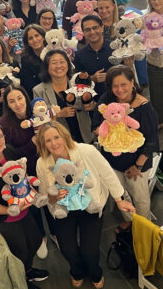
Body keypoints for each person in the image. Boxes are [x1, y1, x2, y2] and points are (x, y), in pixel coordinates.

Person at [36, 121, 135, 289]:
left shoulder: (85, 150)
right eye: (48, 140)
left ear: (64, 135)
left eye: (56, 137)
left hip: (90, 204)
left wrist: (119, 199)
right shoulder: (42, 163)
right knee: (67, 249)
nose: (54, 143)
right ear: (43, 144)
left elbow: (107, 173)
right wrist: (53, 197)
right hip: (64, 208)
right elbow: (44, 193)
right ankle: (77, 271)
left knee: (90, 251)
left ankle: (95, 273)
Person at [0, 122, 49, 288]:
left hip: (23, 209)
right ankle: (21, 278)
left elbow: (23, 173)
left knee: (35, 241)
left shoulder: (9, 151)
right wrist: (11, 210)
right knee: (21, 251)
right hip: (5, 217)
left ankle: (28, 270)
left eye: (0, 137)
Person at [92, 65, 159, 226]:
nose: (119, 90)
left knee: (140, 198)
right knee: (120, 195)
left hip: (137, 163)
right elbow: (94, 127)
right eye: (115, 86)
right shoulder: (106, 100)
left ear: (132, 83)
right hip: (112, 161)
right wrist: (112, 130)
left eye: (124, 85)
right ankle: (130, 222)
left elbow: (151, 141)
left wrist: (137, 165)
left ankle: (144, 227)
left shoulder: (144, 107)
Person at [0, 85, 56, 258]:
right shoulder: (5, 125)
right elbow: (9, 154)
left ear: (26, 97)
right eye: (11, 101)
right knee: (34, 205)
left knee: (50, 199)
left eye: (20, 98)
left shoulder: (38, 112)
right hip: (25, 173)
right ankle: (41, 236)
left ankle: (55, 232)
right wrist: (32, 143)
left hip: (46, 166)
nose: (17, 104)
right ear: (7, 105)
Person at [34, 49, 95, 143]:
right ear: (47, 67)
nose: (59, 66)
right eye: (54, 63)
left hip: (84, 135)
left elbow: (91, 102)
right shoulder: (39, 90)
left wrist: (89, 105)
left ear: (68, 64)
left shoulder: (78, 82)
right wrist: (58, 114)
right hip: (59, 140)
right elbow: (39, 118)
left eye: (62, 62)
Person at [73, 15, 114, 100]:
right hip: (93, 102)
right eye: (87, 30)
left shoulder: (115, 48)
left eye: (95, 28)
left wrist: (111, 76)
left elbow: (126, 73)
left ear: (102, 28)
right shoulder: (80, 55)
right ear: (83, 32)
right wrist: (91, 79)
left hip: (118, 98)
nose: (92, 32)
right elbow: (76, 82)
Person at [145, 0, 163, 129]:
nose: (156, 2)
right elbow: (144, 37)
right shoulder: (147, 17)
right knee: (156, 95)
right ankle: (159, 120)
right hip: (155, 62)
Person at [19, 24, 47, 97]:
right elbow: (27, 85)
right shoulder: (25, 60)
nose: (34, 40)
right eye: (30, 38)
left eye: (37, 36)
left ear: (43, 37)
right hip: (37, 95)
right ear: (27, 43)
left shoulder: (52, 53)